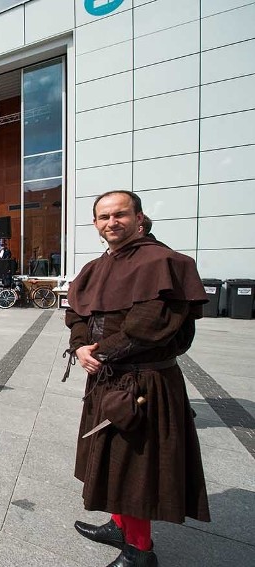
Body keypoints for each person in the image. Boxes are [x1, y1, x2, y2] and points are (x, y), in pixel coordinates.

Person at [64, 190, 210, 567]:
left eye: (120, 214)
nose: (111, 222)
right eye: (103, 216)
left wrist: (96, 352)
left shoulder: (162, 262)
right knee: (111, 459)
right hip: (106, 378)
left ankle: (140, 551)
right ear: (96, 225)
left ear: (139, 218)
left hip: (142, 383)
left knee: (134, 469)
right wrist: (80, 346)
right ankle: (118, 524)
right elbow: (78, 315)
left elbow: (146, 327)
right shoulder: (97, 266)